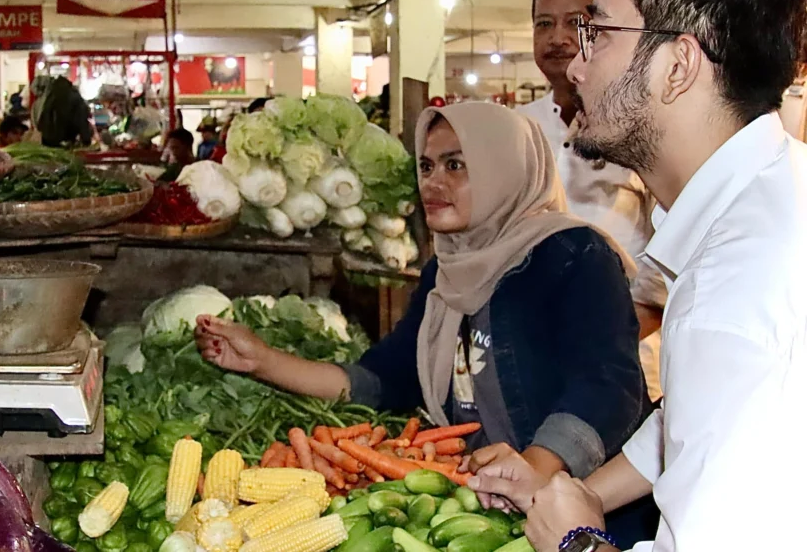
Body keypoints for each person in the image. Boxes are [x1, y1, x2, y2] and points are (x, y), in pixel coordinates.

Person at [469, 0, 807, 552]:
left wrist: (574, 540)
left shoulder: (735, 290)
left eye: (596, 32)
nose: (576, 64)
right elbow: (693, 422)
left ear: (677, 65)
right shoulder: (770, 194)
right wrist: (585, 492)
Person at [197, 102, 650, 544]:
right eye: (428, 166)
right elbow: (387, 378)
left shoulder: (571, 255)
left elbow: (607, 385)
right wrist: (261, 361)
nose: (433, 182)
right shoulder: (445, 271)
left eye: (456, 165)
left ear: (504, 170)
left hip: (586, 517)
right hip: (484, 510)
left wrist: (535, 465)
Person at [515, 0, 667, 402]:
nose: (558, 38)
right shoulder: (516, 130)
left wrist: (608, 339)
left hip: (629, 363)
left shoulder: (638, 124)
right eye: (544, 24)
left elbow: (670, 248)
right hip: (531, 361)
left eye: (576, 23)